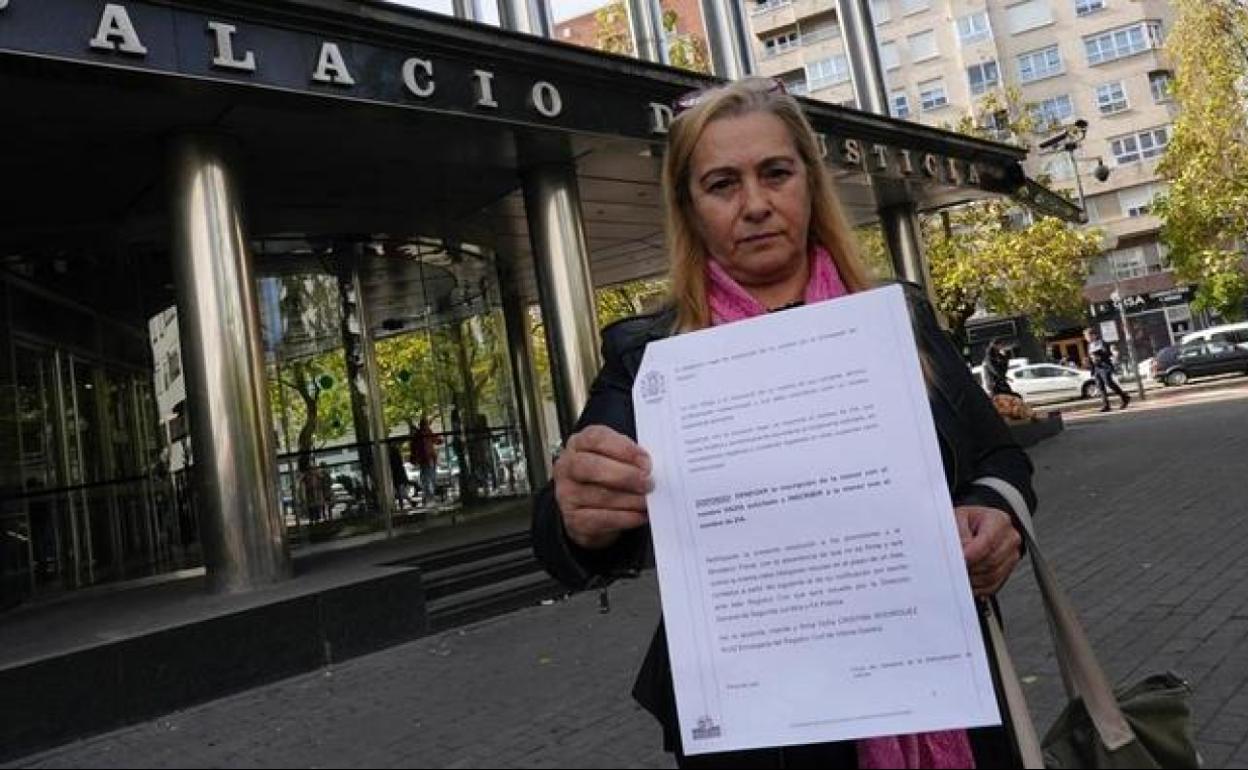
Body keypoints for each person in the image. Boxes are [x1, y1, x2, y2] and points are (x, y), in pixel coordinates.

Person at [532, 77, 1036, 769]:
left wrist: (991, 514)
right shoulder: (651, 358)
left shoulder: (899, 319)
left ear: (809, 180)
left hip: (939, 687)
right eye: (722, 184)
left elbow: (1002, 460)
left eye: (776, 173)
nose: (756, 205)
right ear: (689, 206)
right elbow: (565, 535)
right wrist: (578, 507)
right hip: (759, 728)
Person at [1083, 328, 1129, 412]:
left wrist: (1099, 356)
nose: (1086, 338)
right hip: (1096, 368)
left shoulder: (1101, 342)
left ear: (1094, 335)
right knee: (1100, 386)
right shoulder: (1089, 345)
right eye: (1086, 336)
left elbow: (1108, 353)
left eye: (1088, 336)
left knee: (1109, 382)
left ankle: (1124, 397)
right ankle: (1106, 405)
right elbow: (1090, 356)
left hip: (1105, 366)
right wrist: (1089, 361)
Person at [409, 416, 441, 503]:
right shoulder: (427, 432)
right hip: (429, 458)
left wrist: (413, 458)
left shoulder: (419, 434)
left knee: (426, 478)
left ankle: (429, 496)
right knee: (430, 477)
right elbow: (436, 441)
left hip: (425, 459)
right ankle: (430, 496)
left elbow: (413, 448)